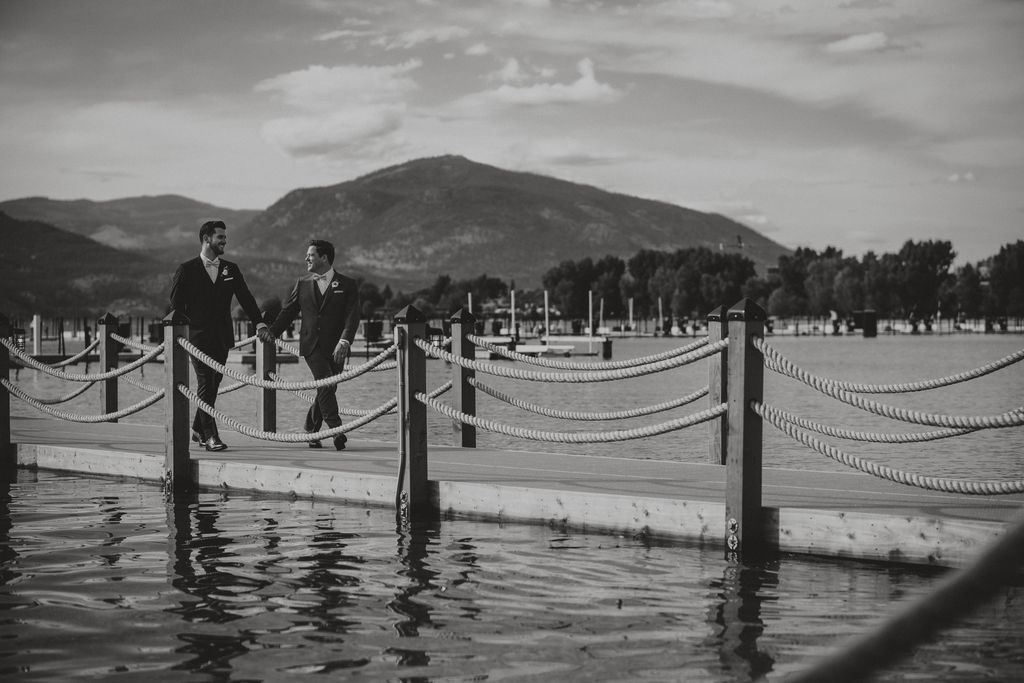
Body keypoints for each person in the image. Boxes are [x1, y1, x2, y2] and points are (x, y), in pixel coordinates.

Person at [169, 220, 267, 451]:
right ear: (206, 239)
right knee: (206, 381)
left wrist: (259, 322)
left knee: (213, 384)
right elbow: (176, 307)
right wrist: (183, 333)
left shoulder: (231, 269)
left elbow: (246, 298)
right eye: (220, 237)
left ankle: (198, 429)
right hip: (196, 339)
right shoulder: (186, 269)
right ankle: (211, 436)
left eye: (225, 237)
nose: (225, 241)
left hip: (222, 337)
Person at [258, 239, 360, 451]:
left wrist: (345, 341)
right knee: (326, 384)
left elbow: (353, 316)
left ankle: (311, 428)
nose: (306, 258)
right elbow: (288, 311)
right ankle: (337, 430)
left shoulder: (348, 284)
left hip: (337, 347)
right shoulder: (302, 284)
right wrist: (272, 333)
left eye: (311, 255)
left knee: (328, 388)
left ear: (324, 257)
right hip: (311, 346)